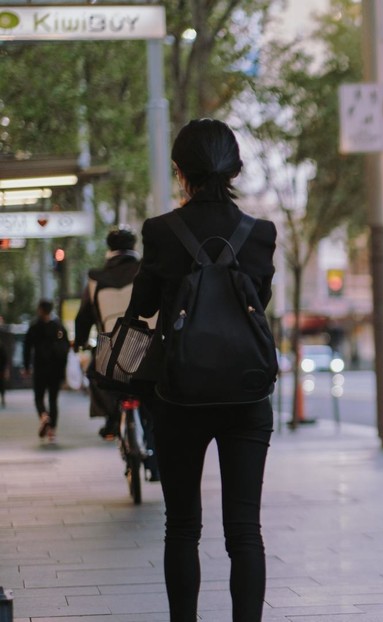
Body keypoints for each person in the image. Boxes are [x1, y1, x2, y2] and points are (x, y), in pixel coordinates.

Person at [126, 118, 277, 622]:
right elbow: (259, 303)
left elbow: (143, 308)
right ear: (235, 168)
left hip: (180, 395)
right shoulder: (260, 234)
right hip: (247, 394)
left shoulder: (161, 232)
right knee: (244, 530)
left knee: (182, 527)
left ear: (180, 170)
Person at [74, 228, 142, 440]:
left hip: (109, 346)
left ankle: (112, 420)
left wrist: (80, 342)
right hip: (144, 344)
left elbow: (83, 316)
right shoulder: (144, 271)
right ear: (133, 246)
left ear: (110, 248)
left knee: (98, 375)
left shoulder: (95, 279)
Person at [23, 299, 69, 442]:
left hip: (40, 367)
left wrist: (26, 367)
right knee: (53, 399)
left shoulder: (34, 327)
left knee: (38, 397)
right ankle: (52, 431)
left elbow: (27, 348)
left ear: (40, 310)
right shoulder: (59, 326)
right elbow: (66, 348)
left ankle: (44, 416)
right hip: (55, 370)